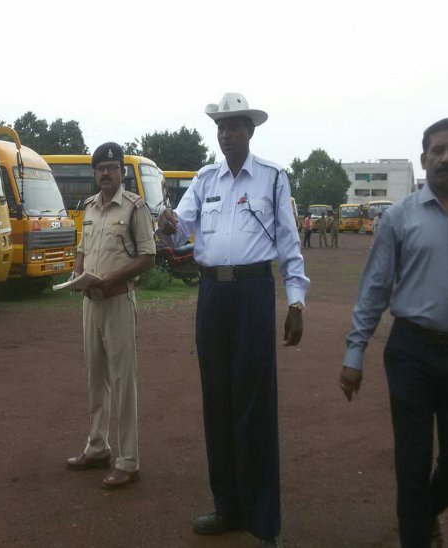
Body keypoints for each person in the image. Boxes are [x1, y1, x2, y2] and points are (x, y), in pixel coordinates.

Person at [158, 93, 308, 547]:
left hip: (252, 293)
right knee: (217, 402)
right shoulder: (205, 179)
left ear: (250, 131)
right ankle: (227, 506)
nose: (226, 134)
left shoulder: (272, 178)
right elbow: (180, 231)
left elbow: (289, 243)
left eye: (234, 127)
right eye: (221, 127)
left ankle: (264, 519)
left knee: (254, 404)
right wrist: (167, 224)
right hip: (212, 295)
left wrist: (296, 302)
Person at [340, 118, 448, 548]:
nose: (446, 158)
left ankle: (424, 514)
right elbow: (374, 288)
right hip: (412, 353)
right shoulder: (399, 217)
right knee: (412, 463)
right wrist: (354, 353)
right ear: (423, 160)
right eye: (437, 150)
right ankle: (417, 536)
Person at [65, 142, 156, 489]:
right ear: (94, 173)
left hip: (118, 301)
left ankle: (128, 460)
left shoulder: (135, 207)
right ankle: (97, 447)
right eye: (100, 168)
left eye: (112, 167)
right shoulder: (89, 207)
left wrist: (114, 278)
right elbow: (82, 248)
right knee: (95, 377)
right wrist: (77, 273)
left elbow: (148, 256)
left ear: (122, 172)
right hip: (90, 303)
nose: (106, 173)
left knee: (122, 380)